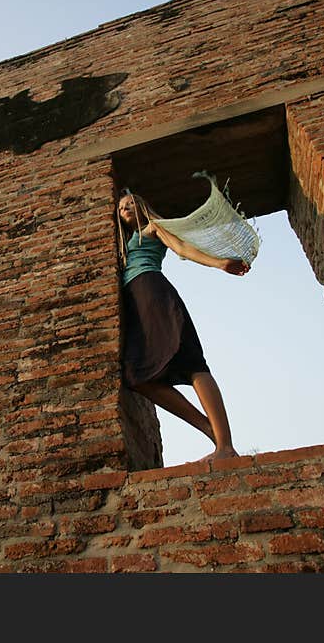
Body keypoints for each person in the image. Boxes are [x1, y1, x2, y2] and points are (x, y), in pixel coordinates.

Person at [116, 190, 249, 463]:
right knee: (136, 377)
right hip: (135, 302)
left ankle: (225, 446)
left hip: (153, 291)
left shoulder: (154, 228)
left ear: (143, 207)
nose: (126, 208)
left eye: (131, 203)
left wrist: (219, 263)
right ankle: (209, 428)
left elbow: (183, 249)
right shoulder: (120, 241)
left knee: (191, 363)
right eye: (121, 208)